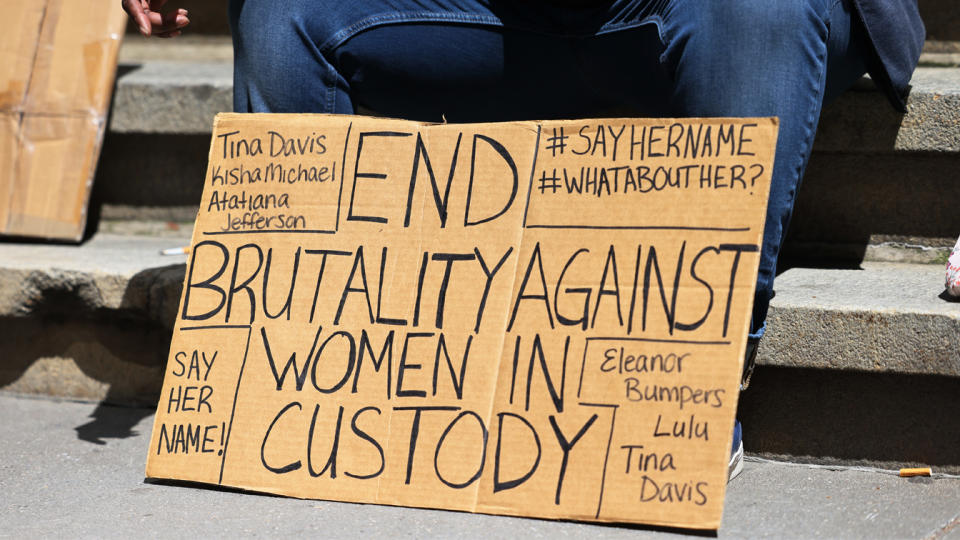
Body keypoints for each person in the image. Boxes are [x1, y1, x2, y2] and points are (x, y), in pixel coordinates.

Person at [122, 0, 925, 480]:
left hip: (712, 19)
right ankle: (306, 381)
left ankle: (692, 385)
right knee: (286, 11)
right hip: (512, 20)